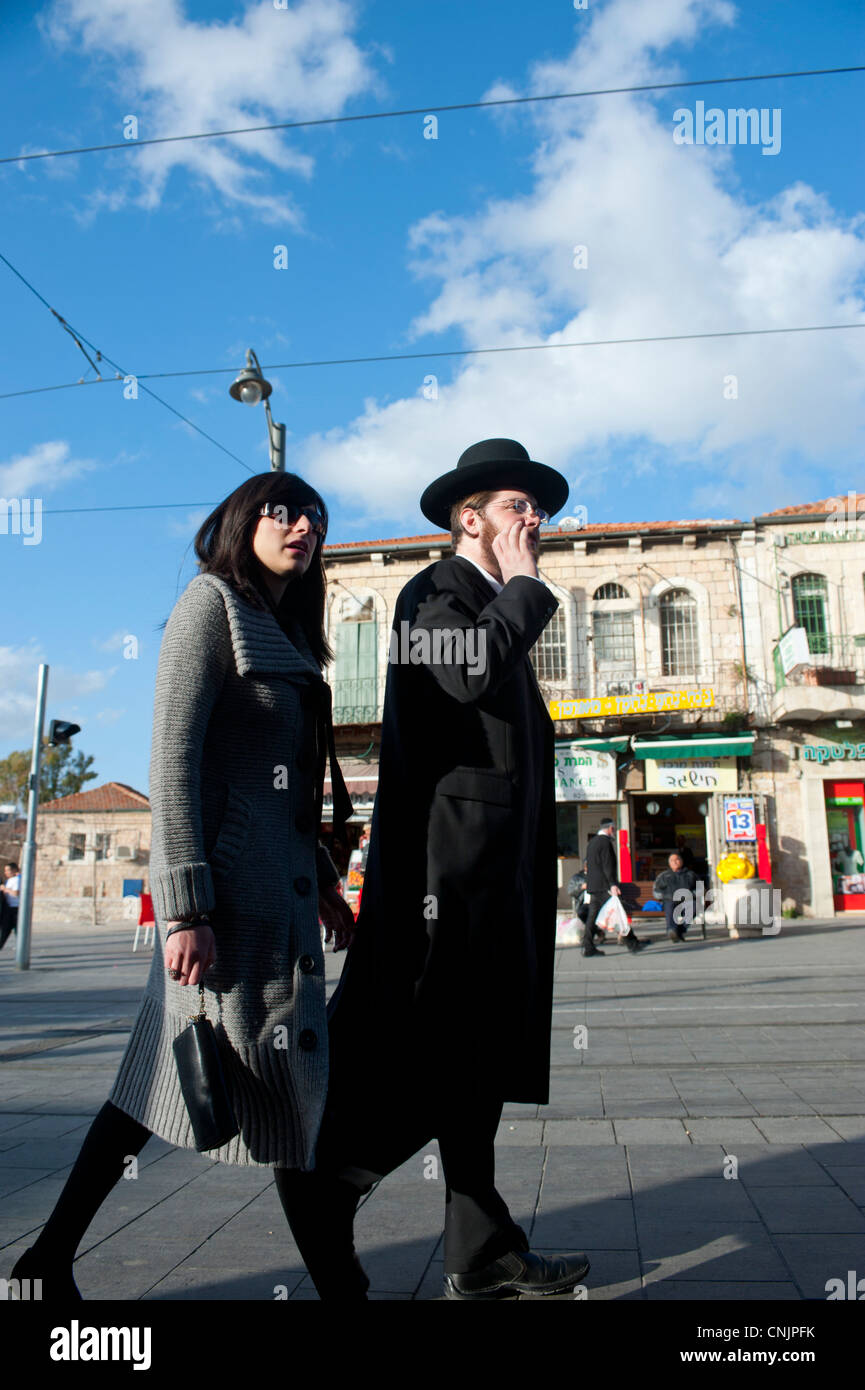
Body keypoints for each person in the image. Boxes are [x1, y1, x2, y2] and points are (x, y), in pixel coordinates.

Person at [9, 472, 356, 1301]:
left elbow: (293, 791)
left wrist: (327, 886)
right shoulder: (213, 604)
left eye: (314, 515)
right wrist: (185, 908)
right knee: (277, 1093)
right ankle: (346, 1293)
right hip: (227, 906)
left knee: (171, 1086)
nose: (301, 525)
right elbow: (171, 761)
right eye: (282, 510)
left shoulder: (289, 630)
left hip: (282, 897)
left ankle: (43, 1262)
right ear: (241, 519)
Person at [278, 437, 590, 1301]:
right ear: (469, 517)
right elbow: (464, 673)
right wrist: (529, 586)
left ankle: (481, 1252)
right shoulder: (434, 593)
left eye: (540, 508)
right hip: (443, 876)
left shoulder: (489, 599)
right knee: (442, 1044)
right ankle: (336, 1175)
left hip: (493, 873)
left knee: (478, 1050)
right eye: (516, 506)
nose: (534, 519)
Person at [582, 820, 650, 956]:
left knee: (592, 916)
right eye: (614, 829)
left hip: (594, 885)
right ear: (611, 828)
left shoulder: (592, 842)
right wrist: (613, 884)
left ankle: (588, 947)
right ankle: (632, 943)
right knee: (618, 913)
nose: (614, 832)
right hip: (603, 885)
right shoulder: (605, 842)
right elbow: (608, 865)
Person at [653, 852, 698, 942]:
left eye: (677, 859)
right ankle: (671, 930)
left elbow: (700, 888)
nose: (675, 862)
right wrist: (663, 896)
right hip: (670, 900)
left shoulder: (690, 874)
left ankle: (679, 931)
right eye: (672, 860)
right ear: (669, 863)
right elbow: (656, 890)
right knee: (669, 906)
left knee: (694, 906)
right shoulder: (664, 876)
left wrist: (693, 895)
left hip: (686, 900)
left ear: (681, 861)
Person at [0, 861, 20, 951]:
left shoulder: (17, 880)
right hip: (9, 908)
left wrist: (5, 889)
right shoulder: (9, 880)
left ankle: (21, 948)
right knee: (5, 930)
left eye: (8, 870)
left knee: (18, 931)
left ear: (14, 870)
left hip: (16, 908)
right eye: (5, 871)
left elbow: (16, 893)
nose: (6, 872)